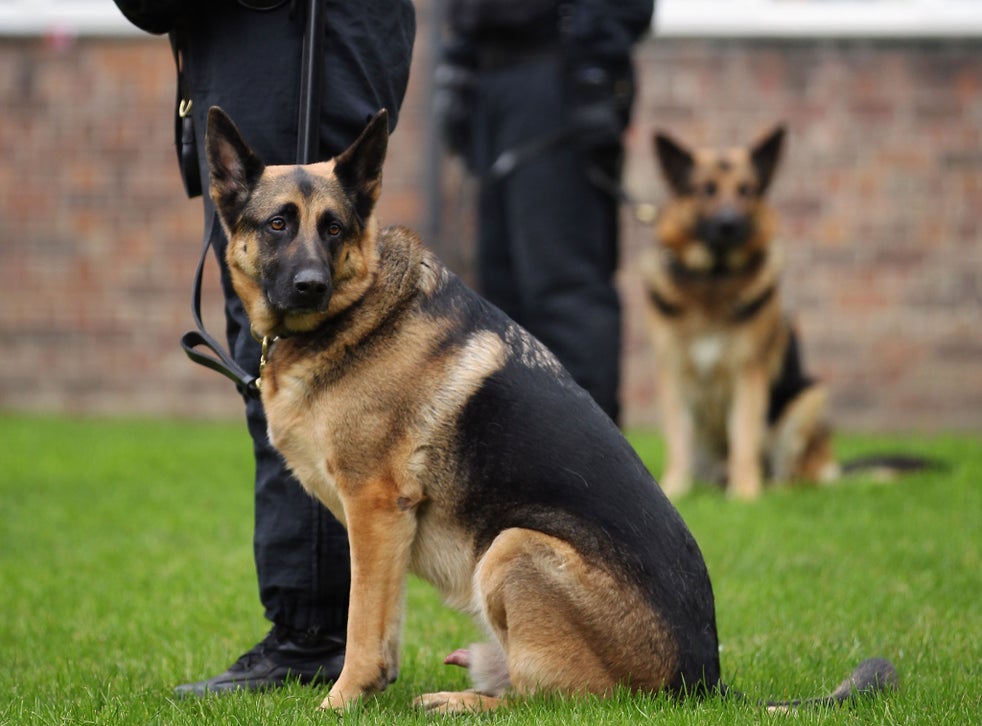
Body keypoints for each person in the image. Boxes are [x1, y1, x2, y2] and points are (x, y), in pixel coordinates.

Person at [111, 0, 415, 695]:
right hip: (246, 53)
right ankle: (347, 638)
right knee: (278, 363)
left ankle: (315, 639)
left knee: (319, 367)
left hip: (309, 44)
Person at [435, 0, 654, 424]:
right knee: (500, 293)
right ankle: (523, 465)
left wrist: (594, 64)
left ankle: (595, 467)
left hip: (559, 72)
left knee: (564, 287)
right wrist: (458, 63)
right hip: (489, 79)